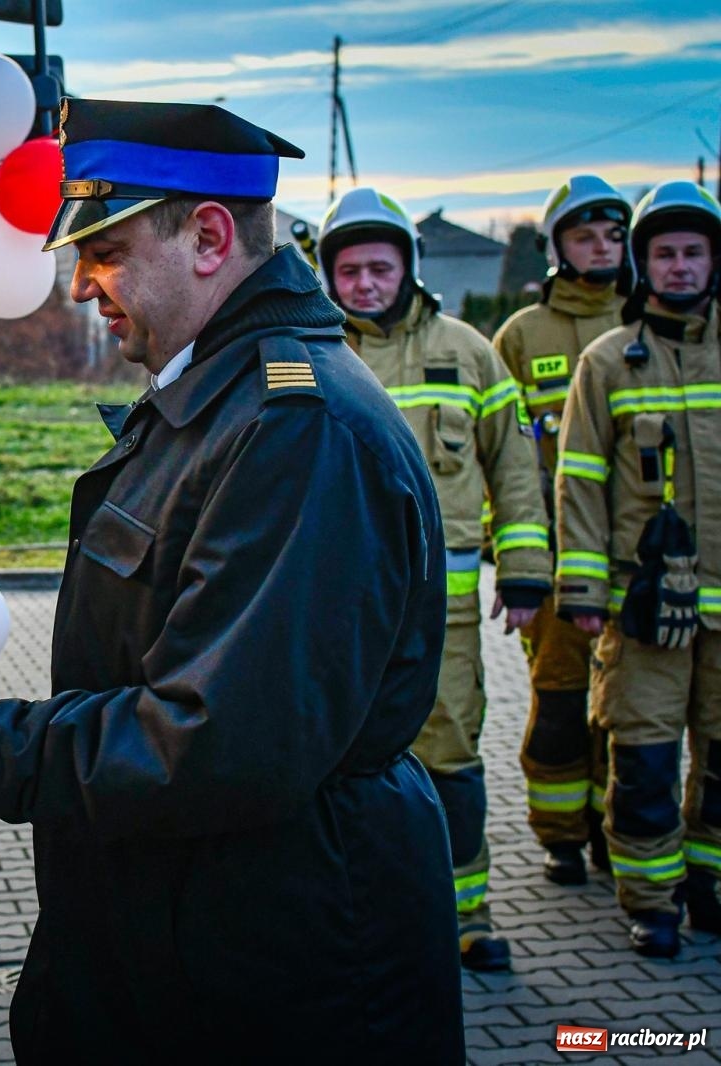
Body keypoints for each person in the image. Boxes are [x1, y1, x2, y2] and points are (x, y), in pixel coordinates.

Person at [0, 99, 463, 1061]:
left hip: (280, 958)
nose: (83, 285)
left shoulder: (296, 431)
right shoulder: (219, 393)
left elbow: (212, 746)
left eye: (106, 250)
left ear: (210, 236)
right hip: (200, 929)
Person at [317, 186, 551, 971]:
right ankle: (367, 916)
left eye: (379, 268)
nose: (365, 285)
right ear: (331, 277)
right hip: (340, 619)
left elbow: (515, 471)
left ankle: (465, 917)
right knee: (343, 763)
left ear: (408, 269)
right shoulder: (310, 356)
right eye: (349, 272)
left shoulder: (470, 350)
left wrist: (523, 573)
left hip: (444, 621)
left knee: (449, 759)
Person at [555, 180, 721, 958]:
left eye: (693, 252)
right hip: (643, 609)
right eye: (665, 254)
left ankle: (708, 887)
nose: (680, 267)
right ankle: (652, 904)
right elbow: (579, 483)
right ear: (644, 265)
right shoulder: (608, 363)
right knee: (645, 763)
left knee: (719, 765)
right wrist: (586, 591)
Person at [493, 176, 629, 885]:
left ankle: (617, 828)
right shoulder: (523, 336)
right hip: (553, 558)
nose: (600, 248)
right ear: (558, 248)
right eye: (584, 236)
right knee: (559, 699)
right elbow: (507, 455)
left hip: (634, 560)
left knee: (629, 709)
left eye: (612, 236)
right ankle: (560, 833)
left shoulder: (649, 323)